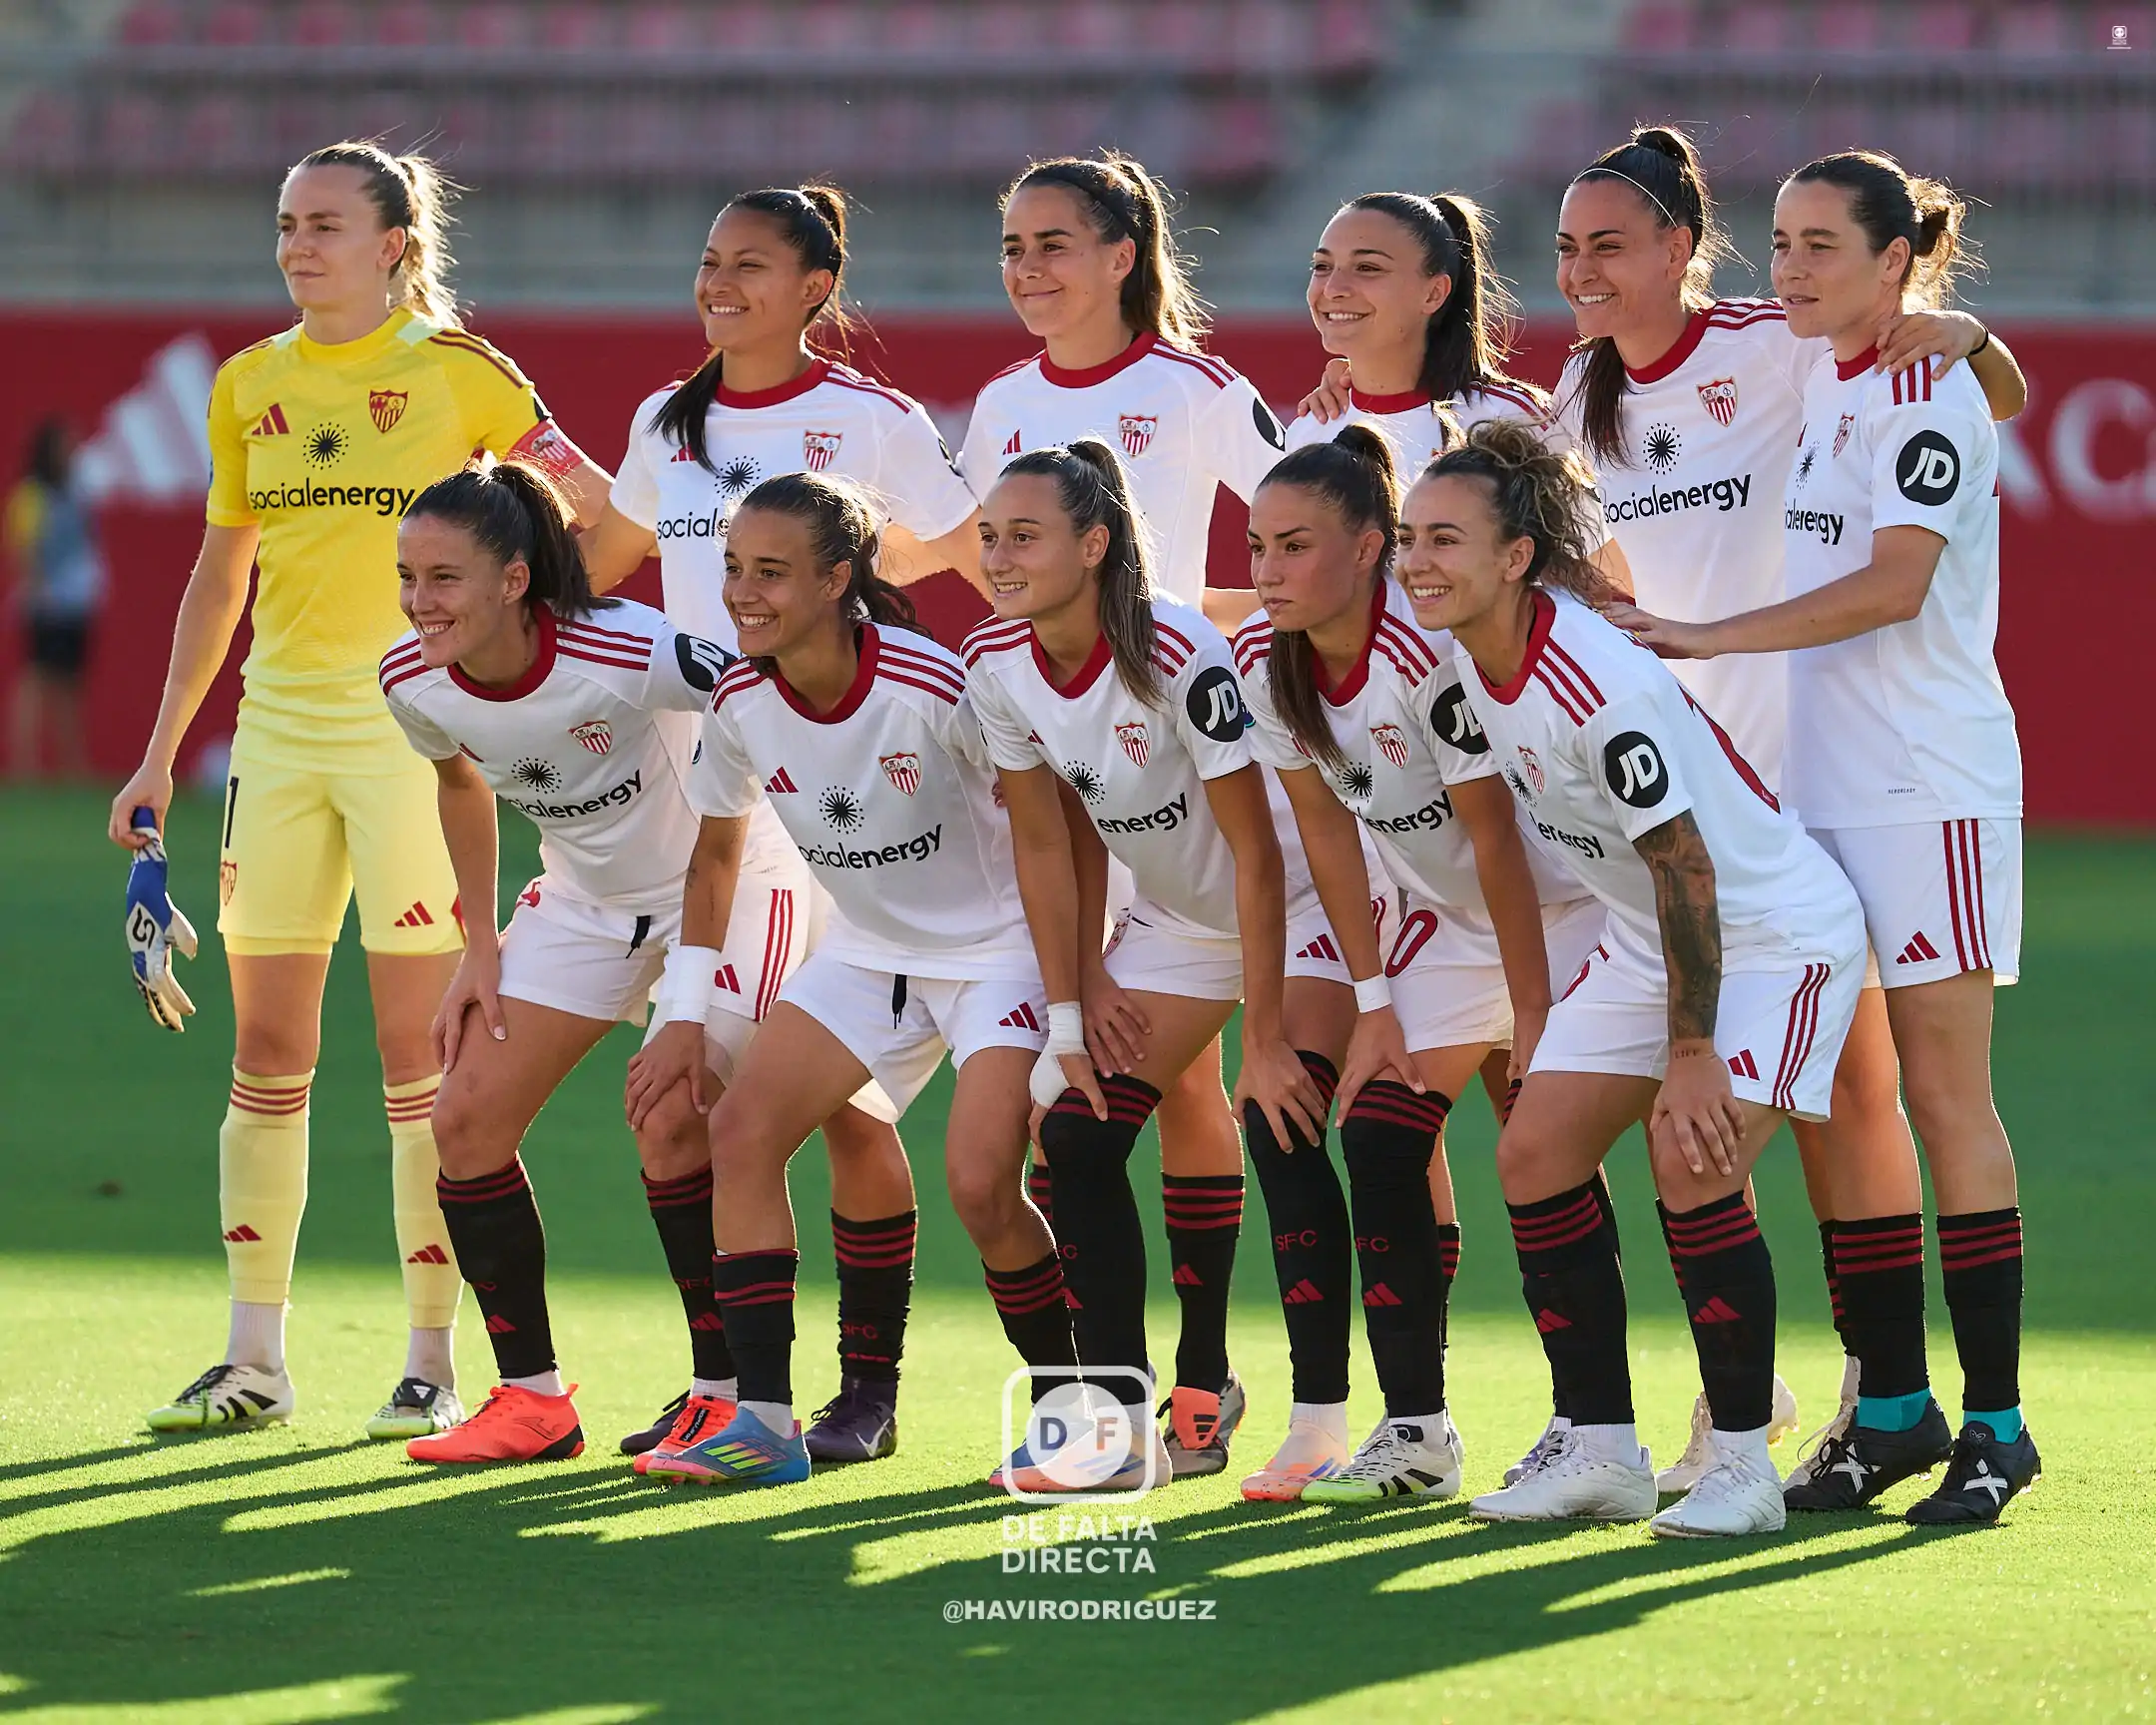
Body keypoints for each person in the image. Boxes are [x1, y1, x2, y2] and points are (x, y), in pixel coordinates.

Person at [1543, 125, 2029, 1495]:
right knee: (1836, 1105)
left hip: (1919, 786)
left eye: (1826, 245)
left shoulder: (1801, 351)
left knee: (1921, 1100)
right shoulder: (1801, 385)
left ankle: (1979, 1421)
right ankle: (1888, 1410)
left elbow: (1914, 545)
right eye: (1789, 243)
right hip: (1784, 793)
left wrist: (1965, 325)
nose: (1797, 268)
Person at [107, 141, 610, 1439]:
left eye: (325, 223)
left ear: (395, 242)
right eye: (285, 222)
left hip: (414, 747)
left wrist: (519, 666)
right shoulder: (247, 385)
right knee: (266, 1054)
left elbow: (596, 518)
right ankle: (253, 1360)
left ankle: (430, 1363)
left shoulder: (462, 377)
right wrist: (164, 748)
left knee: (418, 1060)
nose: (297, 244)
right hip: (277, 742)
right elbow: (223, 579)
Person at [1402, 420, 1866, 1538]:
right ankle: (1602, 1449)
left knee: (1691, 1160)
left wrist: (1691, 1053)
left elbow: (1687, 864)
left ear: (1516, 558)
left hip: (1770, 936)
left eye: (1445, 540)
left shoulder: (1591, 679)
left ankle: (1743, 1468)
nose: (1417, 561)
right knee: (1533, 1150)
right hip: (1646, 933)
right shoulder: (1470, 660)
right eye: (1410, 538)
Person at [583, 186, 984, 1465]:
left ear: (818, 286)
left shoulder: (869, 420)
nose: (720, 284)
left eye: (750, 265)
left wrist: (843, 625)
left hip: (842, 788)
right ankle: (731, 1388)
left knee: (833, 1112)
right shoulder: (669, 419)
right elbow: (600, 567)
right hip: (726, 792)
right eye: (709, 262)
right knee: (687, 1107)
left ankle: (860, 1391)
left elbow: (968, 550)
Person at [630, 471, 1074, 1489]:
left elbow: (1051, 835)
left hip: (994, 954)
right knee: (739, 1130)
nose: (743, 591)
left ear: (838, 580)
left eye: (772, 573)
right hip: (869, 950)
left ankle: (1078, 1413)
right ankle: (766, 1421)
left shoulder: (936, 683)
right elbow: (711, 861)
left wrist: (1073, 997)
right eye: (734, 567)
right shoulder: (739, 697)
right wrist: (683, 1018)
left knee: (981, 1188)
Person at [959, 154, 1285, 1464]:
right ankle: (1175, 1399)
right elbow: (966, 553)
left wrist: (1213, 637)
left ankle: (1218, 1393)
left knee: (1241, 1108)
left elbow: (1316, 538)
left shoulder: (1198, 390)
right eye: (1012, 245)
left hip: (1224, 790)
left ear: (1123, 253)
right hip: (1118, 800)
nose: (1029, 268)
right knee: (1155, 1097)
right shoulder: (997, 404)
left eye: (1055, 243)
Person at [1234, 428, 1607, 1499]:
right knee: (1381, 1139)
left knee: (1548, 1153)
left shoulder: (1421, 653)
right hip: (1448, 922)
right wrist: (1374, 1003)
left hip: (1565, 915)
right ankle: (1418, 1436)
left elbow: (1498, 839)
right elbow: (1330, 841)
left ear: (1368, 550)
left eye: (1294, 546)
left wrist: (1532, 1015)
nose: (1267, 571)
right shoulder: (1270, 667)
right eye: (1257, 546)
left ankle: (1593, 1427)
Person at [966, 439, 1327, 1492]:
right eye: (990, 536)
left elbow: (1259, 850)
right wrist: (1077, 1003)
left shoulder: (1172, 648)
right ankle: (1115, 1432)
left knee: (1283, 1120)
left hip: (1302, 914)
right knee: (1073, 1135)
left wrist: (1261, 1030)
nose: (998, 556)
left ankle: (1222, 1386)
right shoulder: (999, 665)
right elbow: (1051, 840)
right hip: (1176, 922)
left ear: (1095, 543)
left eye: (1024, 536)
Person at [376, 460, 734, 1462]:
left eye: (443, 578)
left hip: (717, 896)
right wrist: (477, 947)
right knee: (465, 1119)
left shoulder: (632, 648)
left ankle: (724, 1386)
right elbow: (459, 784)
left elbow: (765, 688)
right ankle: (532, 1400)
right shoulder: (410, 677)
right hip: (582, 904)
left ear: (514, 579)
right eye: (408, 576)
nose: (418, 601)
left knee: (674, 1123)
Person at [7, 416, 104, 780]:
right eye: (65, 445)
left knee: (70, 682)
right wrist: (37, 592)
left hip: (77, 601)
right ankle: (25, 763)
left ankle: (71, 764)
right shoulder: (32, 495)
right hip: (46, 603)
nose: (72, 452)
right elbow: (23, 547)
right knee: (36, 679)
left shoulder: (77, 490)